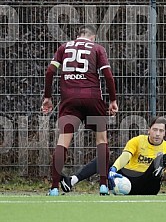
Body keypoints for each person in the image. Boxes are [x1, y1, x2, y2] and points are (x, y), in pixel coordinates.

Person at [41, 25, 118, 196]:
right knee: (101, 140)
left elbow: (49, 72)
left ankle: (54, 187)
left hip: (69, 100)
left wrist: (47, 97)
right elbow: (108, 76)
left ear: (78, 36)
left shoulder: (64, 47)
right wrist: (113, 100)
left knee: (63, 142)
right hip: (92, 98)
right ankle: (103, 185)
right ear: (93, 37)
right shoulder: (97, 48)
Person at [60, 116, 166, 195]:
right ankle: (71, 180)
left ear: (165, 133)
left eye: (161, 131)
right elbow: (125, 157)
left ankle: (158, 168)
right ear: (148, 130)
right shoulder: (137, 140)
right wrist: (113, 169)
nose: (157, 134)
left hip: (149, 185)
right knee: (103, 160)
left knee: (162, 158)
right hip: (128, 180)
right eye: (155, 130)